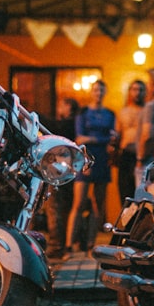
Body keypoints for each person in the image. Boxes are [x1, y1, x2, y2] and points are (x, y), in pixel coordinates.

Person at [67, 79, 115, 255]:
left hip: (102, 160)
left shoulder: (110, 114)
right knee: (78, 203)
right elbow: (79, 138)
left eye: (101, 90)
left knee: (98, 205)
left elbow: (112, 138)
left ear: (105, 92)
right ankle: (69, 245)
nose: (98, 93)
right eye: (95, 90)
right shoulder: (83, 112)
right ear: (91, 92)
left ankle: (90, 245)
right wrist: (99, 140)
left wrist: (93, 139)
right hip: (85, 158)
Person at [45, 96, 78, 260]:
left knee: (55, 207)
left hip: (59, 170)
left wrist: (33, 114)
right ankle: (61, 244)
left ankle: (56, 245)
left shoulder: (67, 124)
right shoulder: (74, 124)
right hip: (68, 170)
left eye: (62, 105)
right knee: (62, 207)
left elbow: (54, 126)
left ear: (68, 107)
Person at [115, 79, 146, 204]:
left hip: (142, 156)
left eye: (141, 90)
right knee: (125, 194)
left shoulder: (148, 111)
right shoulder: (123, 112)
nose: (137, 93)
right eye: (134, 89)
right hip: (126, 156)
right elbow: (117, 134)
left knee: (141, 194)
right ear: (130, 92)